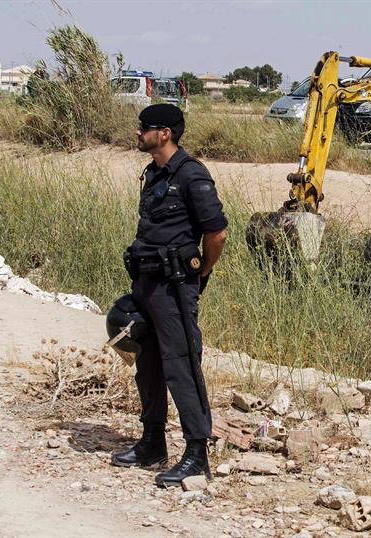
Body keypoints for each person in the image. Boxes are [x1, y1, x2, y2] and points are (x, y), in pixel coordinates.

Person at [111, 103, 228, 488]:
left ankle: (196, 454)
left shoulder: (192, 175)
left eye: (145, 128)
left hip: (174, 286)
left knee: (181, 365)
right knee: (148, 363)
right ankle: (152, 442)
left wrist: (201, 273)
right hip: (145, 282)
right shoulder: (154, 174)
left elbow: (217, 233)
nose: (138, 133)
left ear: (164, 134)